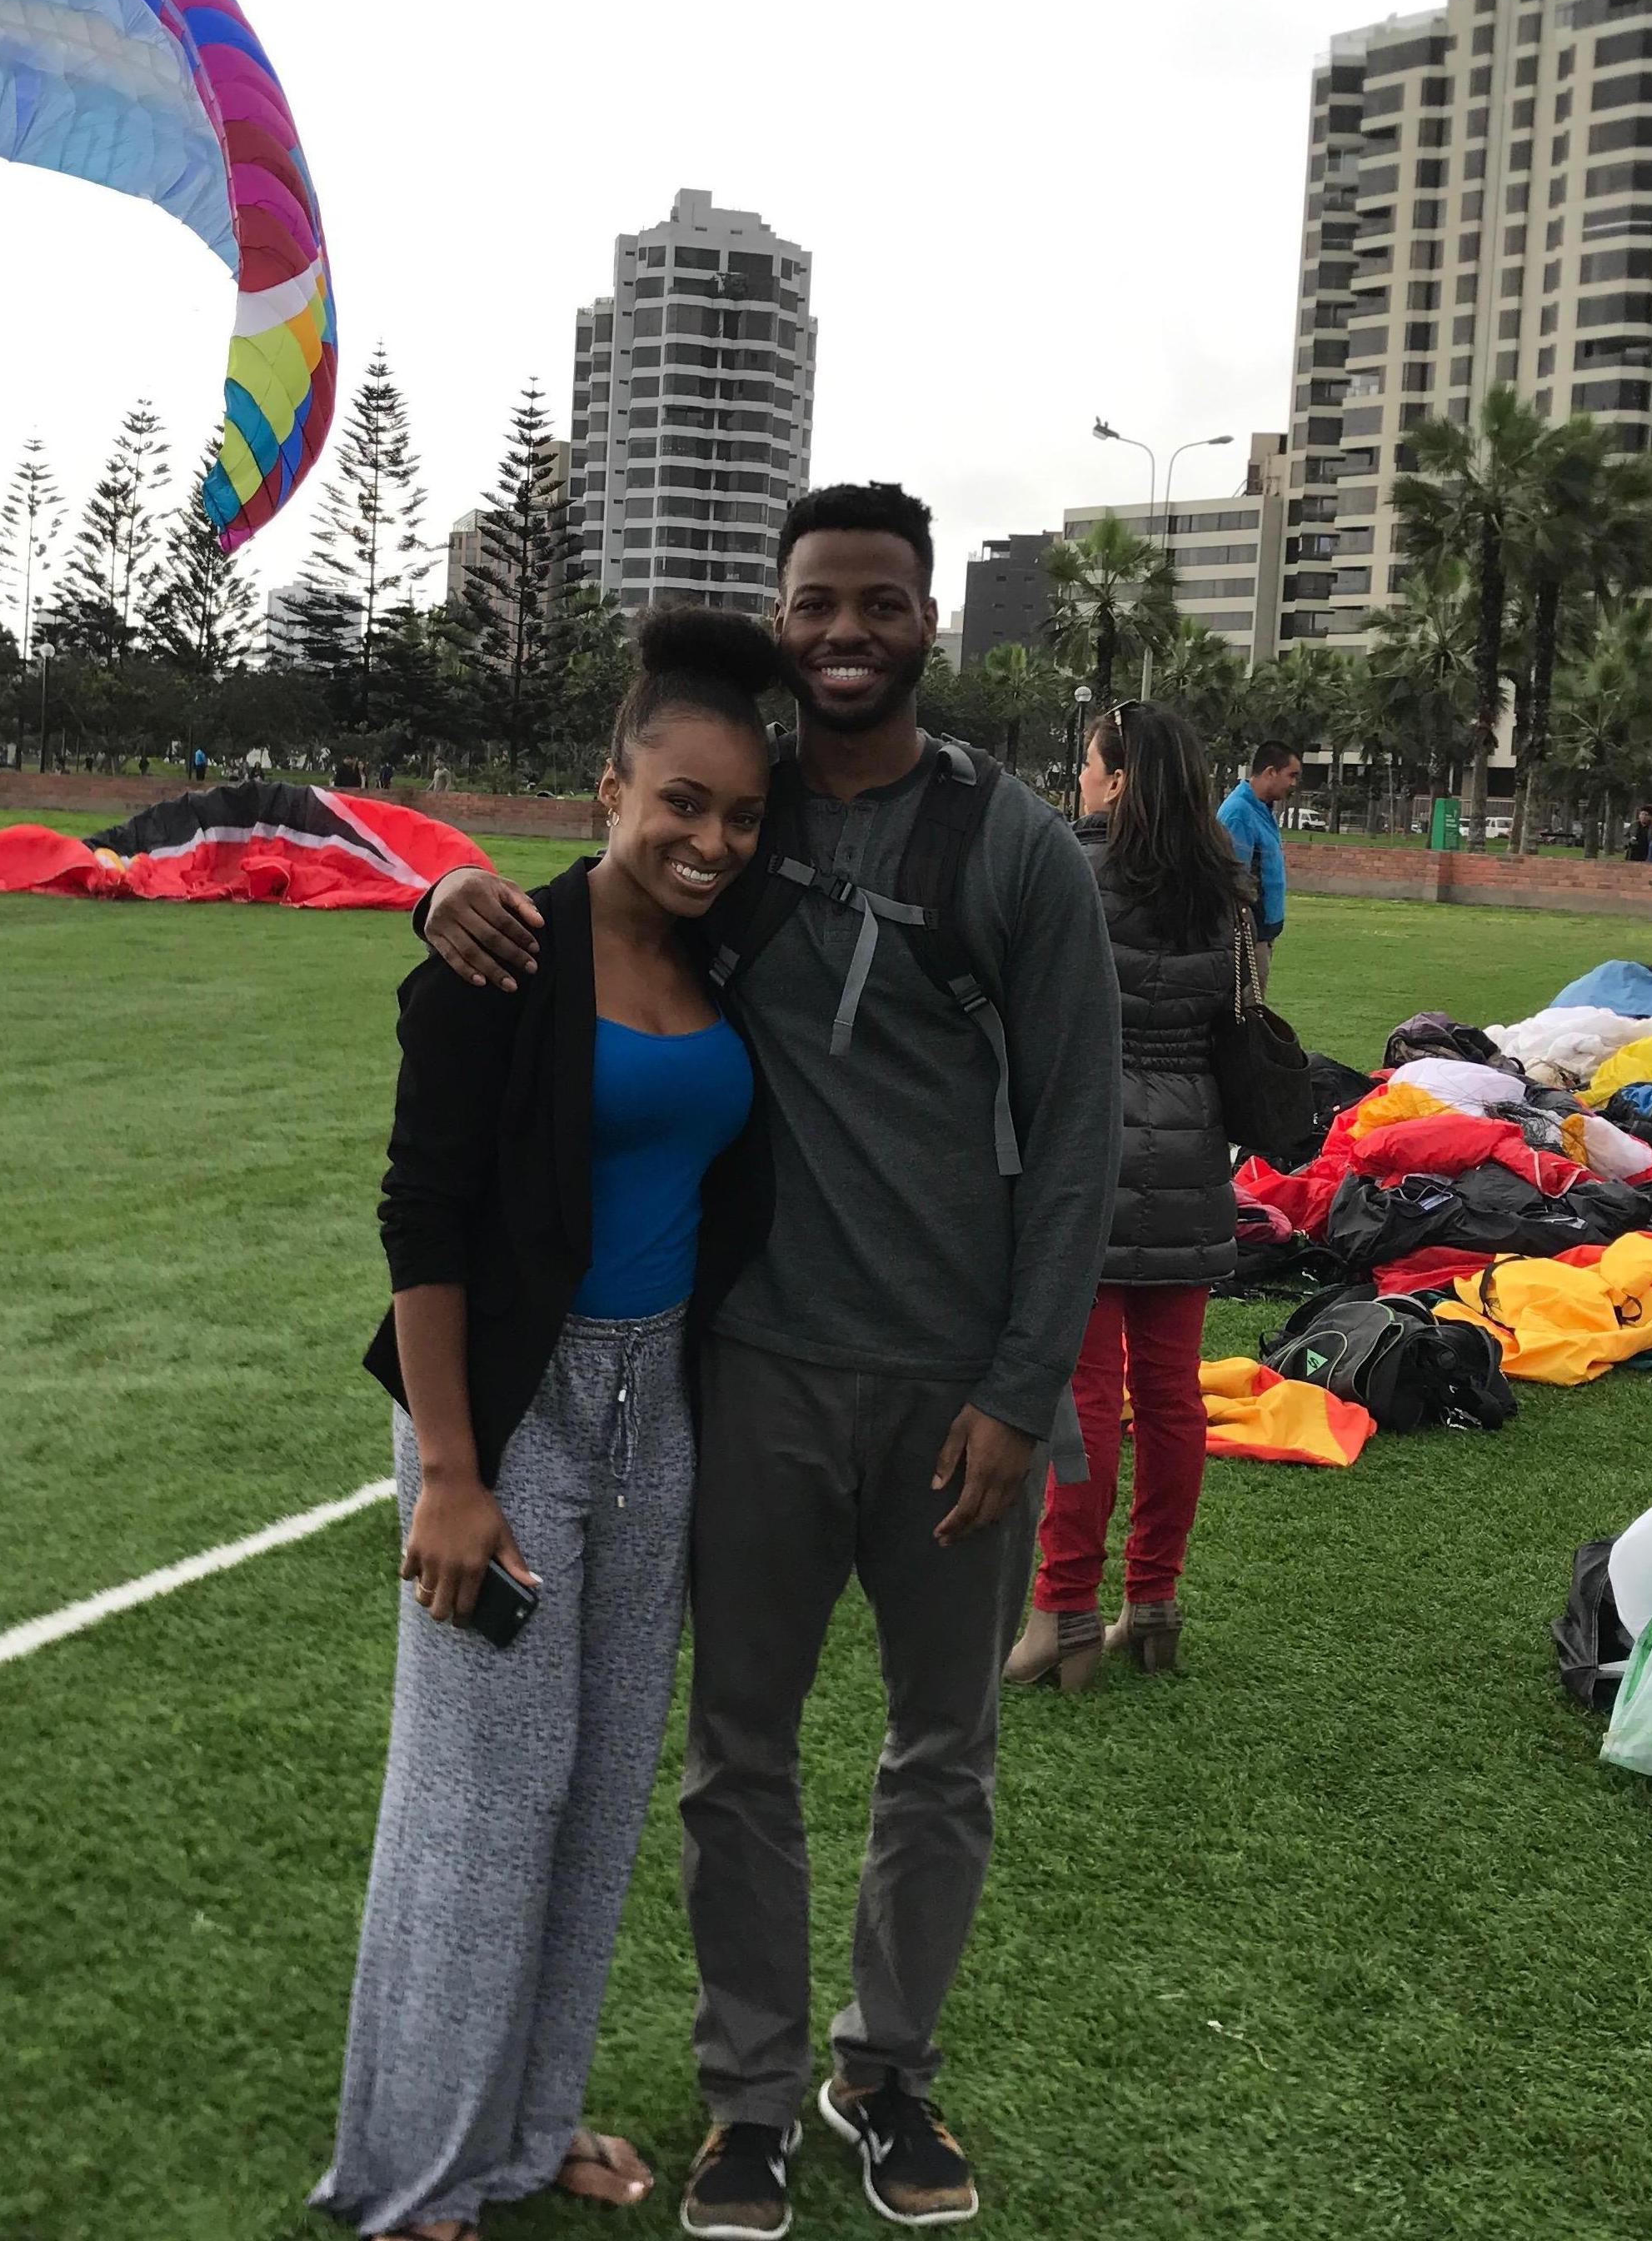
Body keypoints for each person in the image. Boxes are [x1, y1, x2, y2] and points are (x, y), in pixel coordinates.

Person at [416, 482, 1120, 2239]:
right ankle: (746, 2103)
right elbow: (601, 902)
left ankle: (885, 2077)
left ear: (928, 620)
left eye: (880, 604)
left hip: (953, 1386)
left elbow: (1083, 1135)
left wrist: (1022, 1392)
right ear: (784, 616)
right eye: (818, 605)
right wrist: (444, 896)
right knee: (737, 1752)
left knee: (940, 1750)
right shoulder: (745, 810)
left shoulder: (1010, 845)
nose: (846, 635)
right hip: (753, 1372)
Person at [314, 610, 784, 2241]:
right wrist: (447, 1472)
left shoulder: (728, 951)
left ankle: (520, 2133)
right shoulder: (502, 951)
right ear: (610, 789)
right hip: (507, 1414)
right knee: (477, 1798)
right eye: (682, 803)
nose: (713, 838)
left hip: (664, 1411)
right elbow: (422, 1216)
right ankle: (418, 2183)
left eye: (739, 814)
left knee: (591, 1793)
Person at [1008, 701, 1241, 1694]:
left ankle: (1063, 1609)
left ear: (1118, 780)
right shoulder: (1218, 887)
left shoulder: (1071, 871)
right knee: (1173, 1397)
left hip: (1087, 1150)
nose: (1083, 782)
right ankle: (1156, 1603)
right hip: (1193, 1153)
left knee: (1085, 1396)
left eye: (1094, 768)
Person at [1218, 740, 1295, 996]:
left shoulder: (1261, 809)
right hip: (1248, 936)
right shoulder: (1239, 812)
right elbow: (1234, 879)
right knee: (1249, 1010)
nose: (1294, 783)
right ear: (1270, 772)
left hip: (1262, 932)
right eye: (1291, 775)